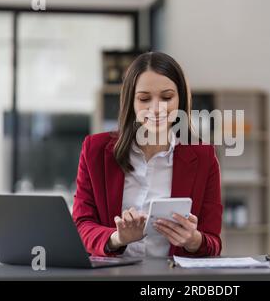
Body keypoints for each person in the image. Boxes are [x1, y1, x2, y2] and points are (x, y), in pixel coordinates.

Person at [72, 51, 222, 257]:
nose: (156, 108)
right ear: (131, 103)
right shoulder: (95, 150)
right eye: (144, 99)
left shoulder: (204, 158)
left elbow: (213, 241)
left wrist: (194, 240)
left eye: (167, 97)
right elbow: (81, 225)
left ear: (180, 100)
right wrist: (117, 238)